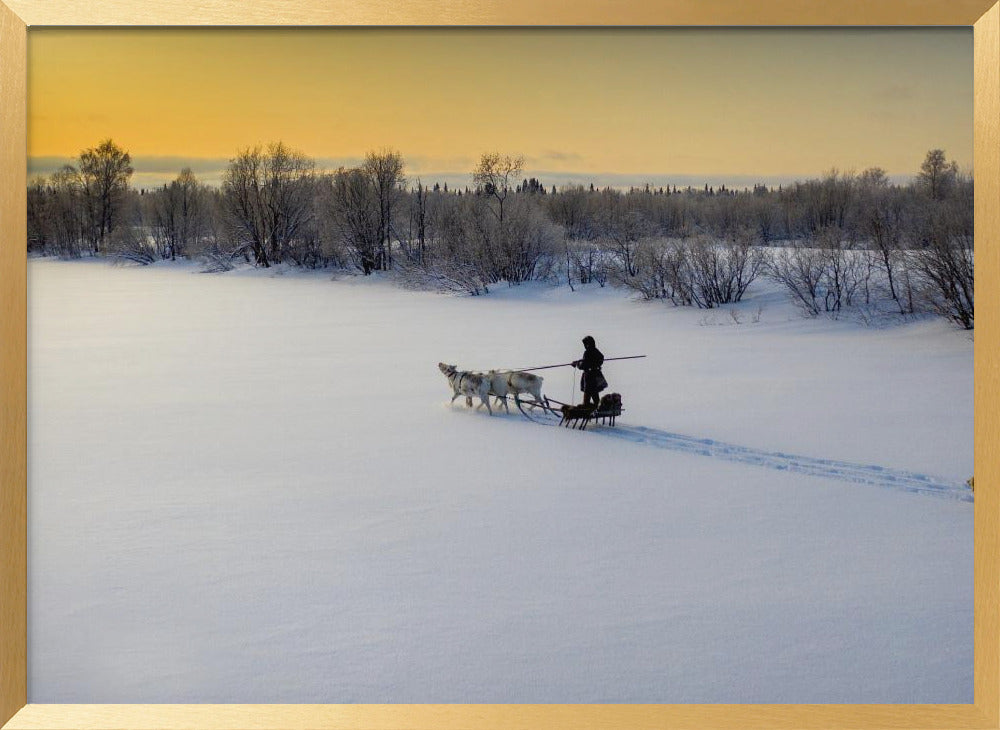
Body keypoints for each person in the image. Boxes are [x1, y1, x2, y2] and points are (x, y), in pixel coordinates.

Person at [573, 335, 606, 408]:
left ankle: (585, 409)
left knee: (587, 394)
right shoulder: (596, 351)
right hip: (596, 375)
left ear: (587, 344)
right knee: (594, 393)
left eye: (585, 344)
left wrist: (577, 364)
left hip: (589, 377)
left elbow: (583, 365)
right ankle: (598, 407)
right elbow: (601, 358)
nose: (584, 346)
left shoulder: (587, 352)